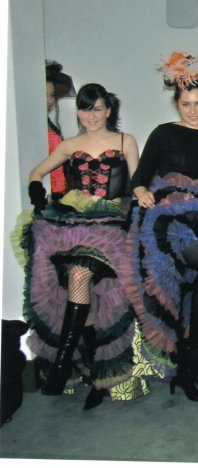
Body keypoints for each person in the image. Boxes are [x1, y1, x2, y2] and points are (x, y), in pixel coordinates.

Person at [24, 83, 141, 409]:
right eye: (85, 109)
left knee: (80, 276)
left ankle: (62, 365)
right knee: (82, 287)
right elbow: (36, 172)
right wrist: (36, 192)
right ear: (77, 111)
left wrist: (136, 211)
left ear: (109, 110)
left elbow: (137, 182)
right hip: (74, 225)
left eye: (98, 108)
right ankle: (94, 373)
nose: (92, 115)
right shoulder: (70, 144)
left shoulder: (125, 141)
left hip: (111, 225)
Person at [125, 51, 198, 402]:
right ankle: (190, 354)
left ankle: (191, 356)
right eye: (186, 104)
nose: (193, 110)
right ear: (176, 103)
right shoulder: (163, 133)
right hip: (164, 222)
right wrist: (141, 193)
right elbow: (139, 179)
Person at [45, 60, 76, 199]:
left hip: (59, 190)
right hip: (45, 189)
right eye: (45, 95)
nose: (50, 101)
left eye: (52, 95)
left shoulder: (48, 124)